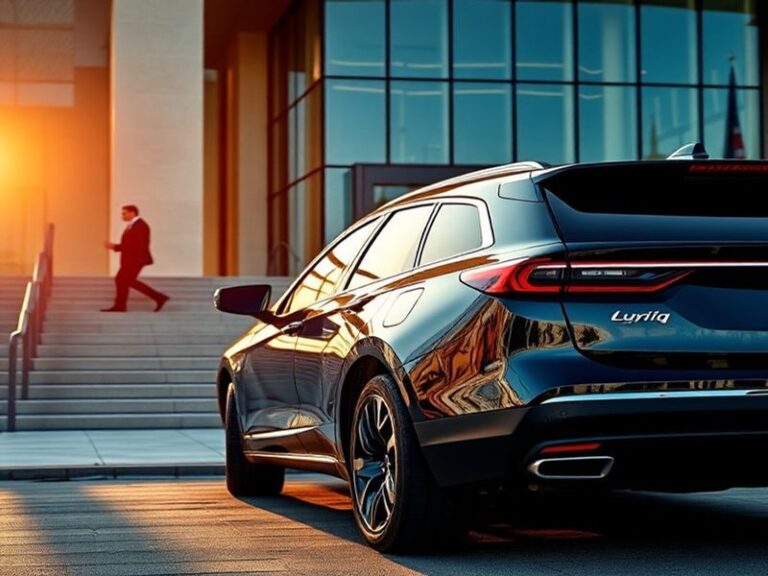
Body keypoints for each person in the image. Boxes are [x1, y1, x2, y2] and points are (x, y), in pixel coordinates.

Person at [102, 205, 169, 312]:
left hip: (136, 260)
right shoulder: (133, 225)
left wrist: (115, 247)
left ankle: (158, 297)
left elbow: (135, 245)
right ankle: (121, 306)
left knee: (125, 280)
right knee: (123, 280)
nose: (122, 216)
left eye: (124, 213)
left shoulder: (140, 226)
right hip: (131, 260)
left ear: (132, 213)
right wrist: (115, 247)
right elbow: (131, 244)